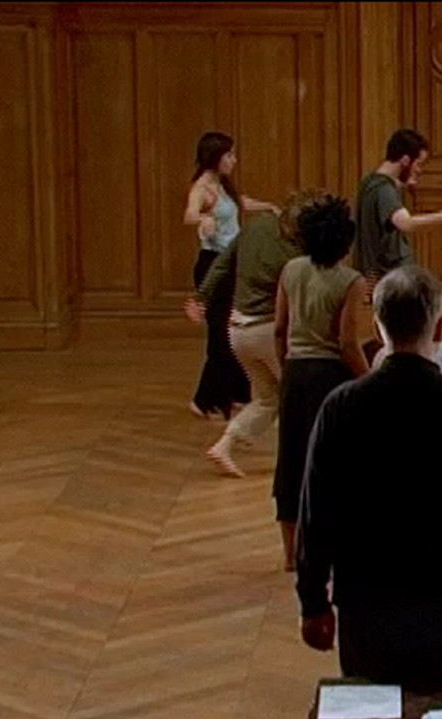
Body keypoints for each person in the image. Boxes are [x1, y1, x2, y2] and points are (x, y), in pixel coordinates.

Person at [295, 265, 442, 691]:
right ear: (440, 327)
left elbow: (316, 512)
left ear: (377, 328)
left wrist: (313, 602)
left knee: (370, 710)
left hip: (365, 597)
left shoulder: (341, 406)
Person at [186, 190, 323, 477]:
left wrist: (201, 297)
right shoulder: (297, 255)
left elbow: (222, 263)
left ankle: (224, 446)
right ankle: (304, 462)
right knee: (302, 397)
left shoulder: (257, 225)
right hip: (268, 332)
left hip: (237, 330)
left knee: (268, 399)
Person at [274, 193, 369, 569]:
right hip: (331, 376)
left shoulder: (291, 270)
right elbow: (347, 343)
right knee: (335, 460)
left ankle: (291, 553)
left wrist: (286, 368)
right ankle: (334, 546)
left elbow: (280, 329)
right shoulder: (351, 281)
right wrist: (369, 379)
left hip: (296, 371)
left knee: (291, 460)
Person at [183, 131, 277, 419]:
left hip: (232, 263)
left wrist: (268, 207)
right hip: (214, 265)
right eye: (229, 155)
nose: (234, 160)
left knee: (236, 328)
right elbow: (189, 214)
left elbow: (240, 203)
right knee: (220, 335)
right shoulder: (202, 188)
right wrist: (203, 218)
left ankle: (236, 393)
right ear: (215, 157)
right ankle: (204, 399)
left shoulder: (222, 185)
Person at [355, 128, 442, 295]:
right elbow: (406, 223)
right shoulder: (383, 189)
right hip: (391, 280)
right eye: (418, 164)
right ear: (405, 160)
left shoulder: (370, 183)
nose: (419, 170)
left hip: (383, 278)